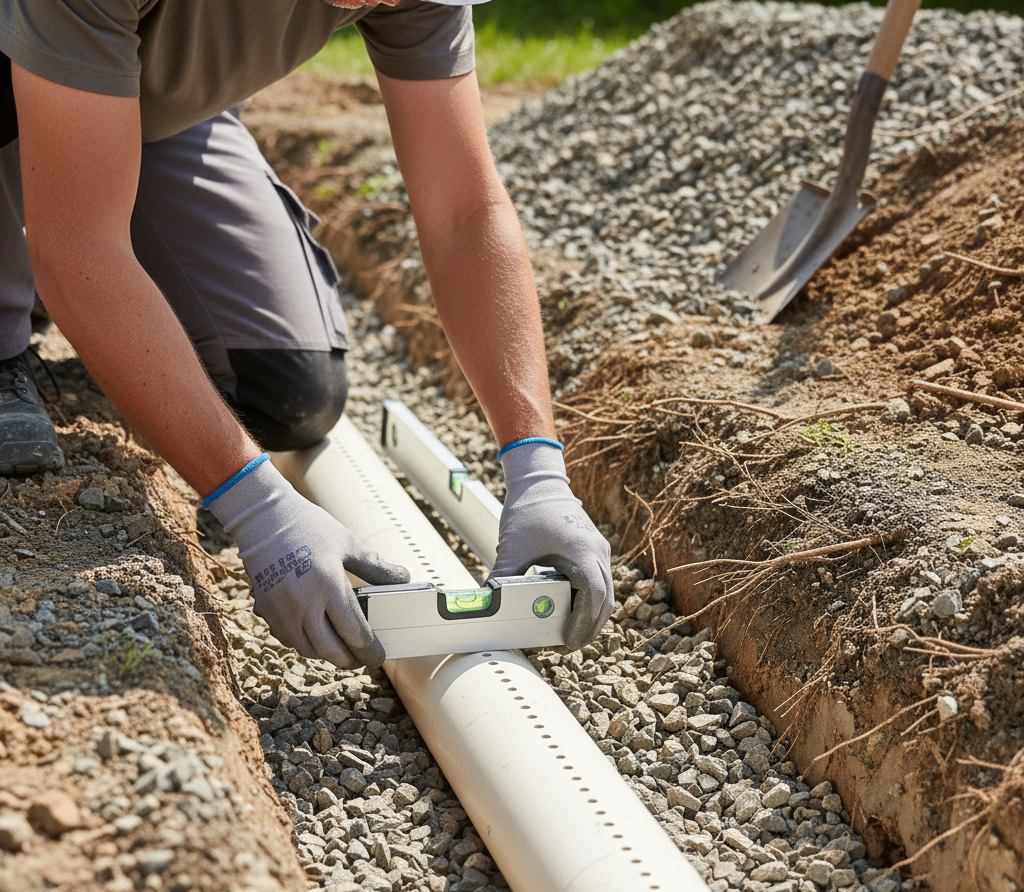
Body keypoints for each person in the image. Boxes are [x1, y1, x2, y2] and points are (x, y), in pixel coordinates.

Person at [0, 0, 613, 668]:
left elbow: (464, 214)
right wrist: (256, 506)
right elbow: (80, 245)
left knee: (284, 388)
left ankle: (72, 205)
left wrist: (537, 468)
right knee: (63, 275)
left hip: (151, 109)